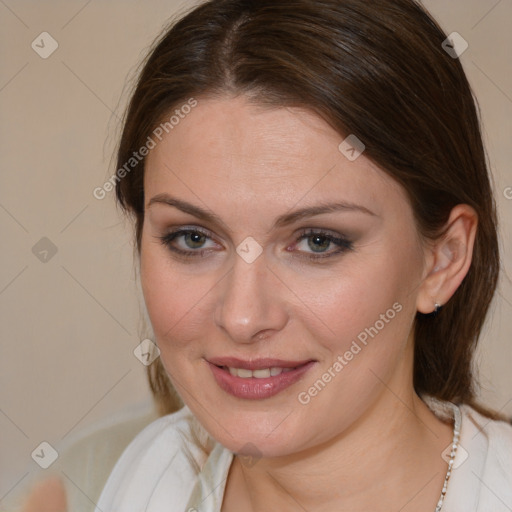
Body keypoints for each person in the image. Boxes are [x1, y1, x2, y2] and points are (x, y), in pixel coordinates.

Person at [22, 0, 512, 510]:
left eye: (318, 241)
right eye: (193, 238)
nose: (242, 316)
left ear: (443, 259)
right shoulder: (129, 477)